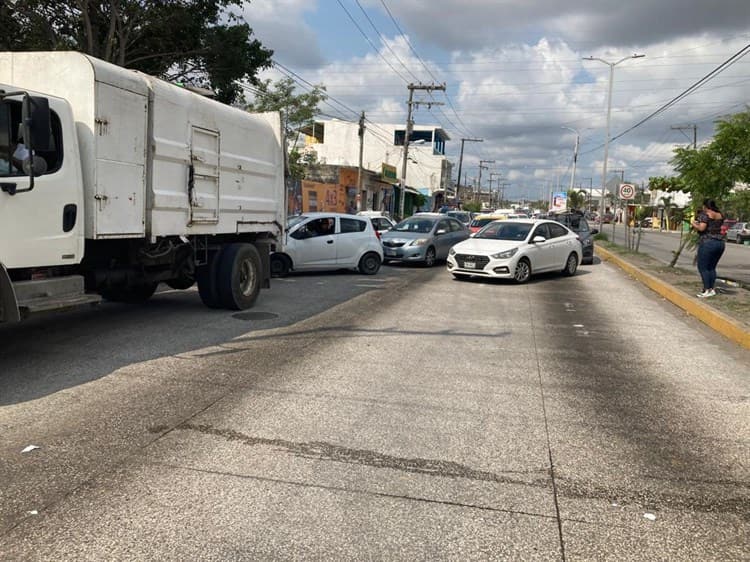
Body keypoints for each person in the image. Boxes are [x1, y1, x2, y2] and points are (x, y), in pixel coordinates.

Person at [691, 198, 725, 298]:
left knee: (703, 267)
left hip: (707, 243)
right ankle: (711, 289)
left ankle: (707, 290)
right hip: (720, 243)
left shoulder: (705, 215)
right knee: (711, 267)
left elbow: (702, 228)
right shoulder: (720, 215)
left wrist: (694, 224)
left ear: (705, 206)